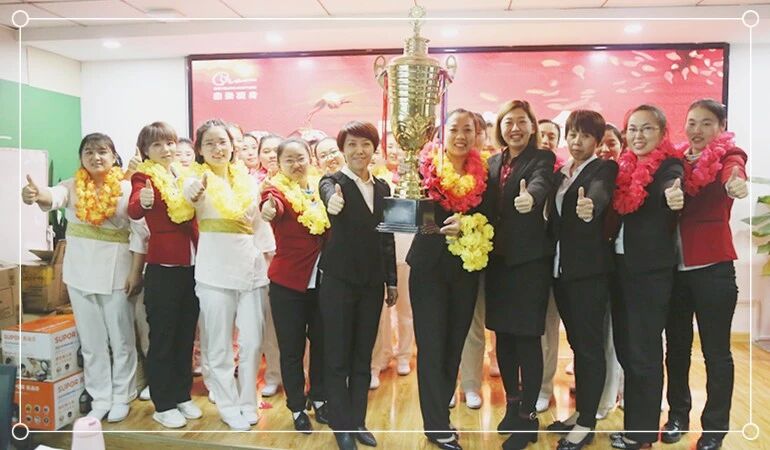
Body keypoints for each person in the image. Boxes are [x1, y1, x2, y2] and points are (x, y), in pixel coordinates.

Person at [22, 133, 147, 423]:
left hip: (118, 273)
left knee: (121, 338)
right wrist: (35, 194)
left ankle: (122, 395)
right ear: (81, 158)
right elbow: (52, 196)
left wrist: (135, 272)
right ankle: (100, 397)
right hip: (80, 273)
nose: (95, 157)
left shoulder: (127, 188)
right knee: (91, 342)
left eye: (102, 151)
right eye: (88, 152)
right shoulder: (72, 185)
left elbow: (141, 233)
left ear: (114, 156)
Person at [662, 99, 747, 450]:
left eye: (707, 123)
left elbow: (734, 169)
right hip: (674, 272)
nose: (697, 130)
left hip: (714, 270)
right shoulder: (674, 161)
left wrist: (736, 183)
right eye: (692, 122)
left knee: (716, 353)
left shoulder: (728, 156)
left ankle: (714, 428)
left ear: (721, 127)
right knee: (676, 349)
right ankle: (677, 417)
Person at [182, 119, 275, 431]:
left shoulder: (247, 180)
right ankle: (227, 404)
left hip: (252, 269)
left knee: (253, 341)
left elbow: (259, 225)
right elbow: (189, 195)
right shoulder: (195, 178)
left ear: (232, 146)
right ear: (199, 149)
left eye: (222, 142)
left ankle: (247, 401)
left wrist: (269, 259)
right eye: (209, 143)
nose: (217, 148)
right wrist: (194, 191)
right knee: (219, 345)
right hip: (215, 272)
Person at [408, 109, 492, 450]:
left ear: (476, 134)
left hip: (465, 269)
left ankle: (440, 412)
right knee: (431, 346)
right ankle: (435, 424)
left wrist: (468, 225)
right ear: (442, 132)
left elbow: (491, 215)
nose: (460, 135)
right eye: (454, 128)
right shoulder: (423, 166)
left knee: (453, 345)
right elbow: (414, 214)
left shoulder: (485, 172)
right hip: (428, 268)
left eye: (467, 129)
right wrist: (439, 226)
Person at [608, 105, 684, 449]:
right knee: (627, 351)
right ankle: (634, 428)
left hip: (650, 273)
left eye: (647, 128)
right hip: (620, 269)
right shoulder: (623, 166)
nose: (638, 136)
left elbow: (672, 183)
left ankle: (641, 435)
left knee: (645, 354)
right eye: (633, 129)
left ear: (662, 133)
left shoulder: (669, 166)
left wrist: (672, 194)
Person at [318, 120, 397, 450]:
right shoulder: (332, 182)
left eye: (365, 144)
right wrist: (331, 203)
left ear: (374, 149)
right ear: (343, 150)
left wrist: (391, 281)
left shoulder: (383, 188)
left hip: (371, 284)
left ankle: (358, 420)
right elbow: (326, 195)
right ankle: (341, 425)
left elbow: (387, 238)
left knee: (363, 356)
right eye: (351, 144)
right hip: (338, 282)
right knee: (337, 356)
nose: (359, 150)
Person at [484, 100, 556, 450]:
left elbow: (541, 183)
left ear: (532, 127)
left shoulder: (542, 158)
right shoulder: (493, 162)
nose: (515, 128)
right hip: (497, 262)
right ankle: (512, 405)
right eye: (508, 122)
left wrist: (533, 199)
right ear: (500, 127)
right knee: (504, 337)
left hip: (529, 263)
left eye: (521, 122)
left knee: (527, 338)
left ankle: (528, 418)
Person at [545, 110, 618, 449]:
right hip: (561, 271)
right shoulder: (561, 173)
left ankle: (587, 422)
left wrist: (592, 207)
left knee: (589, 348)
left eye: (585, 136)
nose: (577, 141)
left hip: (588, 274)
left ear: (597, 141)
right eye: (573, 134)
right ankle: (580, 413)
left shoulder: (603, 168)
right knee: (578, 346)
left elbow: (600, 193)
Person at [127, 122, 201, 429]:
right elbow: (134, 208)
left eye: (169, 143)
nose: (166, 149)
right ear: (145, 151)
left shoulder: (185, 174)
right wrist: (143, 202)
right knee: (163, 338)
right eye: (157, 145)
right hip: (163, 268)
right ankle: (164, 403)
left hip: (192, 267)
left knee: (185, 335)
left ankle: (182, 394)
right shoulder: (143, 177)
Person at [260, 138, 329, 433]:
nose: (296, 164)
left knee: (323, 345)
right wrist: (268, 209)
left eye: (300, 158)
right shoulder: (275, 190)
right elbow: (271, 205)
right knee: (292, 349)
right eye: (289, 160)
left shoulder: (321, 187)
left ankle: (320, 398)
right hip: (288, 284)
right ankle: (297, 407)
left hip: (323, 283)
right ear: (278, 164)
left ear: (310, 158)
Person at [536, 117, 564, 413]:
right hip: (527, 264)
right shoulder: (524, 170)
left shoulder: (563, 176)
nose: (546, 140)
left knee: (549, 329)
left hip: (555, 263)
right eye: (541, 134)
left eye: (552, 136)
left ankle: (544, 386)